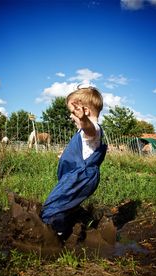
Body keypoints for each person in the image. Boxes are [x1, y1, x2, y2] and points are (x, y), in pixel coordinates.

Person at [40, 86, 107, 241]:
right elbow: (82, 152)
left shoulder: (92, 129)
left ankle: (54, 238)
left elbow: (89, 129)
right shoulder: (83, 134)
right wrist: (64, 156)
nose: (71, 116)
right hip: (77, 176)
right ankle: (74, 226)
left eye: (73, 111)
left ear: (85, 111)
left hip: (80, 178)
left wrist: (83, 119)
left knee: (52, 207)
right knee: (66, 205)